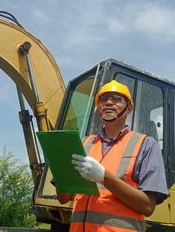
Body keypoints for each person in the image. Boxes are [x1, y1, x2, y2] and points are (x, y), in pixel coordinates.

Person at [56, 80, 168, 232]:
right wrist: (60, 168)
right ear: (98, 107)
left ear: (129, 108)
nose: (108, 102)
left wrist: (104, 177)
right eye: (103, 99)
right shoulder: (83, 143)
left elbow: (147, 206)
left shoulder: (146, 145)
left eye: (116, 99)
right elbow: (63, 198)